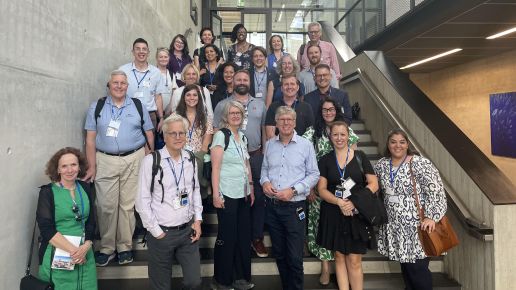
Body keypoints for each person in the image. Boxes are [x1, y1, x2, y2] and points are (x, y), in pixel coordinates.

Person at [83, 70, 154, 266]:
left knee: (127, 206)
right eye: (116, 83)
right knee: (105, 205)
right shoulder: (96, 107)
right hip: (105, 160)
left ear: (127, 86)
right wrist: (92, 166)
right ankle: (107, 247)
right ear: (109, 85)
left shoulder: (138, 105)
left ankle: (124, 246)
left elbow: (149, 133)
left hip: (134, 158)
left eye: (123, 83)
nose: (119, 86)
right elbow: (90, 139)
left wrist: (148, 161)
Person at [136, 114, 203, 290]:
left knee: (194, 281)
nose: (178, 137)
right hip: (161, 233)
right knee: (161, 286)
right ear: (164, 136)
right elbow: (142, 201)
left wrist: (198, 220)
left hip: (187, 231)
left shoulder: (190, 159)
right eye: (173, 133)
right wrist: (156, 231)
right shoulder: (151, 161)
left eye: (182, 133)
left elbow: (195, 190)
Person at [374, 129, 447, 290]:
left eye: (402, 142)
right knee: (407, 271)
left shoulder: (420, 163)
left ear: (407, 144)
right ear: (388, 144)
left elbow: (436, 191)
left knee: (418, 271)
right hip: (395, 228)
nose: (397, 145)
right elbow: (375, 189)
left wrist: (431, 217)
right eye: (393, 141)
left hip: (418, 228)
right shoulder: (381, 165)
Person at [260, 106, 320, 290]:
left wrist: (293, 190)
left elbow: (314, 174)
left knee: (294, 257)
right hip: (272, 207)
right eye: (282, 119)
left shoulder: (305, 145)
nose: (286, 123)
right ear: (276, 123)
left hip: (295, 208)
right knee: (279, 253)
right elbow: (264, 170)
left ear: (294, 122)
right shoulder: (270, 144)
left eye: (289, 120)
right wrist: (265, 182)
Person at [302, 98, 360, 285]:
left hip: (344, 191)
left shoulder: (348, 131)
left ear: (337, 111)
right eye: (325, 109)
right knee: (322, 228)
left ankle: (343, 267)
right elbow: (303, 160)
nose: (328, 112)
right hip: (320, 189)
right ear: (320, 112)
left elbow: (354, 164)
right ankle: (326, 268)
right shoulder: (312, 132)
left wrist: (348, 193)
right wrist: (309, 187)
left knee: (343, 231)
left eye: (332, 109)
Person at [317, 121, 379, 290]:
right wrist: (339, 202)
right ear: (330, 136)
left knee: (354, 260)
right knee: (338, 256)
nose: (339, 138)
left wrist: (353, 202)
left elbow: (373, 184)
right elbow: (321, 189)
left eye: (342, 134)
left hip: (356, 213)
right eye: (335, 134)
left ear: (348, 136)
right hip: (333, 212)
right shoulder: (325, 160)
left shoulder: (360, 156)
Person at [213, 69, 268, 258]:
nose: (242, 81)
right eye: (238, 79)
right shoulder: (222, 105)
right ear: (233, 82)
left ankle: (256, 238)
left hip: (255, 154)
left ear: (250, 83)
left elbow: (264, 131)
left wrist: (264, 154)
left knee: (257, 198)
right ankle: (237, 237)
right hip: (230, 158)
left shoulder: (260, 104)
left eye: (245, 79)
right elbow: (216, 130)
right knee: (237, 200)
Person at [37, 147, 97, 289]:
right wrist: (75, 252)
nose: (69, 170)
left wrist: (86, 246)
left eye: (73, 165)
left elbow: (91, 222)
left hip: (84, 252)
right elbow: (46, 229)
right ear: (57, 170)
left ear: (79, 167)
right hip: (58, 252)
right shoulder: (47, 192)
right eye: (64, 166)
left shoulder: (85, 188)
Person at [211, 101, 255, 290]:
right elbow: (215, 168)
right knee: (227, 237)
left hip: (243, 193)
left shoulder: (242, 137)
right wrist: (215, 194)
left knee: (243, 237)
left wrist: (251, 188)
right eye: (232, 113)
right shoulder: (221, 135)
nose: (236, 115)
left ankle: (240, 278)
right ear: (225, 116)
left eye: (239, 112)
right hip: (226, 192)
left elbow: (247, 165)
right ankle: (222, 280)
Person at [119, 38, 164, 131]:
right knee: (128, 143)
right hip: (127, 113)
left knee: (150, 144)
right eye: (138, 48)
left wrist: (161, 118)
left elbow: (158, 96)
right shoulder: (123, 70)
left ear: (148, 52)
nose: (141, 51)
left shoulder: (156, 72)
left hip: (149, 115)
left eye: (144, 49)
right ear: (133, 51)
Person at [175, 84, 214, 192]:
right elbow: (173, 136)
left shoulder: (205, 116)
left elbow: (208, 136)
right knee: (182, 189)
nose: (192, 98)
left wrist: (200, 155)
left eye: (194, 95)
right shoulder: (176, 116)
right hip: (180, 157)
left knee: (197, 190)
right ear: (184, 97)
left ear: (199, 98)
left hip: (199, 157)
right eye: (188, 95)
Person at [265, 73, 314, 139]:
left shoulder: (306, 107)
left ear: (297, 87)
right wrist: (284, 146)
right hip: (279, 147)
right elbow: (270, 134)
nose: (289, 87)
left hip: (301, 148)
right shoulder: (273, 107)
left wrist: (298, 145)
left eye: (292, 84)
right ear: (281, 88)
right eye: (286, 84)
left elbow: (310, 131)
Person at [155, 47, 177, 118]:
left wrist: (170, 107)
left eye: (165, 57)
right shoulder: (152, 73)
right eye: (161, 57)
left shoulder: (171, 74)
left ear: (169, 58)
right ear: (157, 58)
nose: (163, 59)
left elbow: (174, 91)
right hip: (155, 111)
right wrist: (157, 110)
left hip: (169, 111)